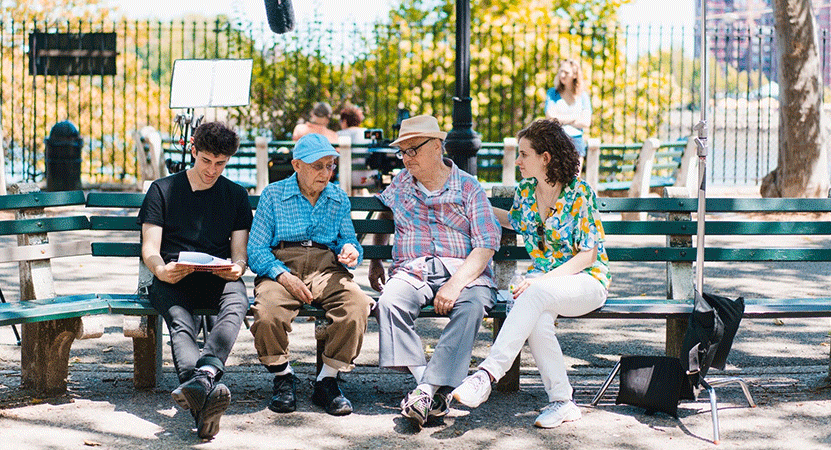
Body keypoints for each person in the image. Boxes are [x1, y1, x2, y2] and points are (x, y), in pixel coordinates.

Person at [451, 119, 610, 428]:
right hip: (542, 286)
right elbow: (516, 220)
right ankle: (562, 401)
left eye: (524, 154)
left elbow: (588, 255)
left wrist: (541, 280)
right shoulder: (526, 191)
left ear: (545, 157)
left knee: (530, 292)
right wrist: (475, 203)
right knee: (536, 317)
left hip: (587, 281)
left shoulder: (580, 193)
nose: (518, 161)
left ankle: (486, 375)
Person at [369, 114, 502, 427]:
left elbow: (485, 245)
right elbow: (383, 212)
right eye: (402, 152)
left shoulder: (468, 187)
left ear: (438, 147)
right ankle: (426, 387)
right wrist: (376, 258)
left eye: (413, 150)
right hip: (413, 270)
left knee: (471, 306)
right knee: (389, 302)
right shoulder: (401, 183)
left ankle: (425, 390)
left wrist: (455, 284)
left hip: (464, 271)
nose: (406, 158)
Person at [138, 121, 252, 440]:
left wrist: (237, 268)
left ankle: (204, 374)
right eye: (206, 161)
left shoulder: (235, 195)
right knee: (179, 321)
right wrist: (161, 270)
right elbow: (150, 248)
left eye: (221, 163)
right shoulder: (163, 189)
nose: (212, 170)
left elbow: (239, 253)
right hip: (172, 275)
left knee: (238, 299)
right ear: (193, 151)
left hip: (217, 276)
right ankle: (204, 402)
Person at [247, 133, 374, 416]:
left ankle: (326, 380)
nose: (326, 173)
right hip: (282, 265)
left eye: (330, 166)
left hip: (326, 266)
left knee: (357, 305)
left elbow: (348, 240)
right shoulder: (273, 195)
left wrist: (351, 251)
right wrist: (283, 276)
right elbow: (256, 250)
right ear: (297, 166)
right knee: (267, 311)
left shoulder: (338, 197)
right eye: (318, 166)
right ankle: (283, 376)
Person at [545, 59, 592, 172]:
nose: (562, 75)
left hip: (576, 142)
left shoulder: (583, 96)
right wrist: (575, 116)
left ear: (575, 75)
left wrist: (561, 118)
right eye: (560, 71)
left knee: (574, 179)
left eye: (566, 72)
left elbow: (586, 122)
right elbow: (550, 117)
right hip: (556, 140)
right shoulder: (553, 93)